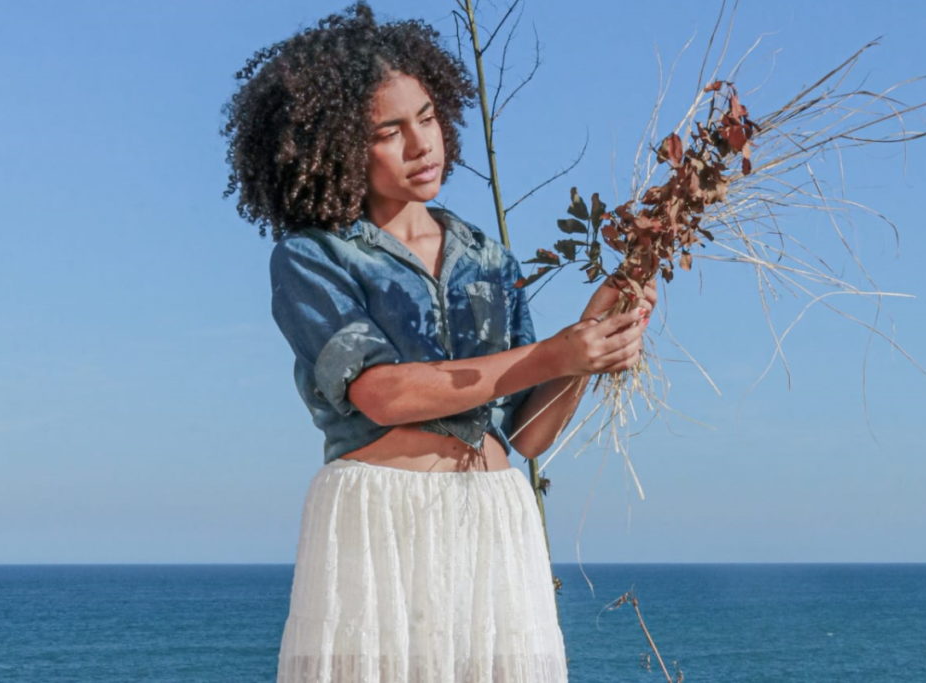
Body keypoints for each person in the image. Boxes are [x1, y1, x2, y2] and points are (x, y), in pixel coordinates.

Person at [222, 4, 656, 681]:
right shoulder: (313, 259)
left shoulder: (489, 256)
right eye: (388, 131)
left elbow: (529, 434)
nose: (421, 144)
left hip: (494, 518)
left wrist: (590, 344)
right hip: (379, 520)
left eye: (426, 118)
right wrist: (555, 354)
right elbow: (382, 392)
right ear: (338, 145)